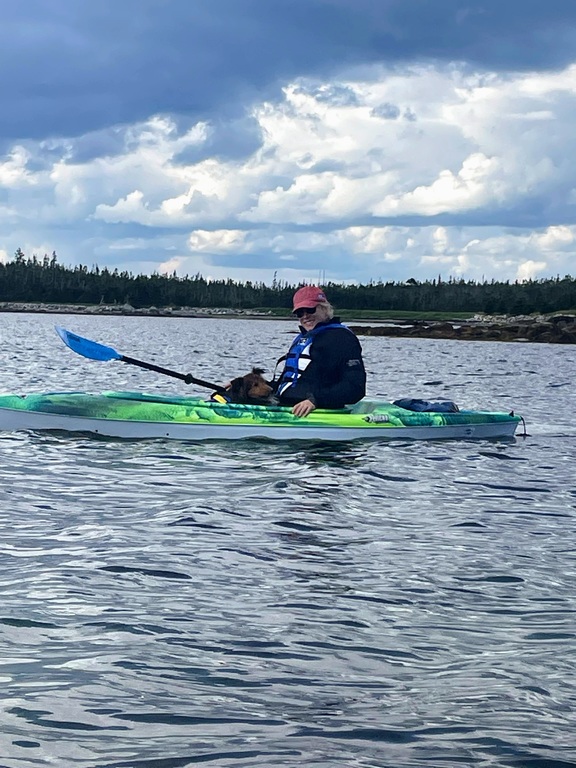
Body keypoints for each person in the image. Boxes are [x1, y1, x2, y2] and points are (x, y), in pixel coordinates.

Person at [272, 286, 366, 417]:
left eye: (310, 309)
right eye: (300, 313)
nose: (305, 316)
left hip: (318, 412)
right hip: (286, 406)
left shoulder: (342, 338)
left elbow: (355, 387)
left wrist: (315, 400)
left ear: (324, 308)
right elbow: (289, 381)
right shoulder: (303, 339)